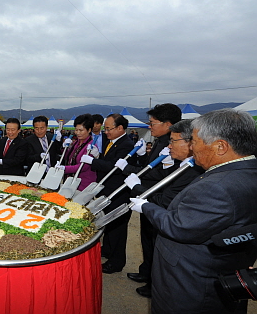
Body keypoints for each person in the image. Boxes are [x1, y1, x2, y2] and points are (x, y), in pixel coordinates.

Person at [130, 109, 257, 313]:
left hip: (192, 286)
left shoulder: (218, 185)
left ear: (220, 146)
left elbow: (178, 225)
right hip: (224, 273)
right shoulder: (246, 172)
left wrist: (146, 206)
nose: (192, 148)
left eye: (195, 142)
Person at [116, 103, 182, 297]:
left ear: (168, 124)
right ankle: (146, 272)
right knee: (146, 238)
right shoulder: (160, 141)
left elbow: (156, 174)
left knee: (154, 241)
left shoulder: (171, 144)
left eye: (152, 123)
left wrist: (128, 170)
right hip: (148, 194)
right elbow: (147, 167)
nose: (149, 126)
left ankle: (154, 283)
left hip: (157, 196)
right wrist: (142, 156)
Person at [80, 114, 135, 274]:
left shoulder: (126, 145)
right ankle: (108, 250)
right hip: (108, 190)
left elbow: (114, 167)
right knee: (109, 222)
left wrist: (94, 161)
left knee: (118, 227)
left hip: (119, 192)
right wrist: (99, 156)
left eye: (109, 128)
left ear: (120, 128)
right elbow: (109, 160)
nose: (105, 132)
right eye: (105, 128)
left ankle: (116, 262)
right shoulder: (112, 142)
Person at [55, 114, 98, 191]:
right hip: (70, 181)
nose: (78, 133)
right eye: (76, 130)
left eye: (81, 130)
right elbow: (67, 157)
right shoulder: (76, 142)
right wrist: (64, 148)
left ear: (89, 130)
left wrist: (64, 168)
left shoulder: (92, 146)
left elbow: (83, 166)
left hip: (83, 184)